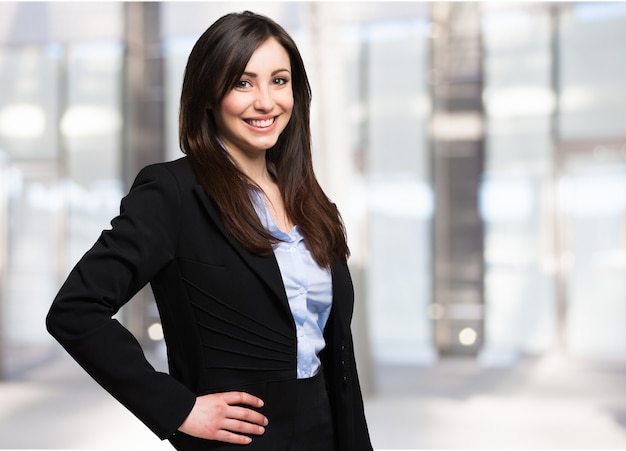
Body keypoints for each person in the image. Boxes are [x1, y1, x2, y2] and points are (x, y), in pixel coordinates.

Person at [46, 10, 373, 451]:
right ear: (208, 94)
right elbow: (75, 310)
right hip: (237, 441)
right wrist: (178, 408)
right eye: (243, 82)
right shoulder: (173, 193)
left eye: (279, 81)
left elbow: (331, 346)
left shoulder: (310, 200)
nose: (266, 101)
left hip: (329, 431)